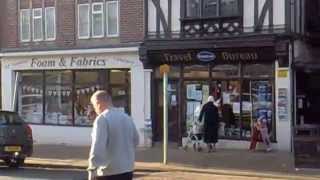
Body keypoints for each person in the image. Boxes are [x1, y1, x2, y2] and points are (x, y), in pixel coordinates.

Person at [87, 90, 139, 180]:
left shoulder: (102, 119)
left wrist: (92, 169)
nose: (95, 109)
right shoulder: (126, 117)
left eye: (94, 106)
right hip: (127, 170)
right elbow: (136, 140)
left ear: (98, 103)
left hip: (108, 172)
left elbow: (97, 147)